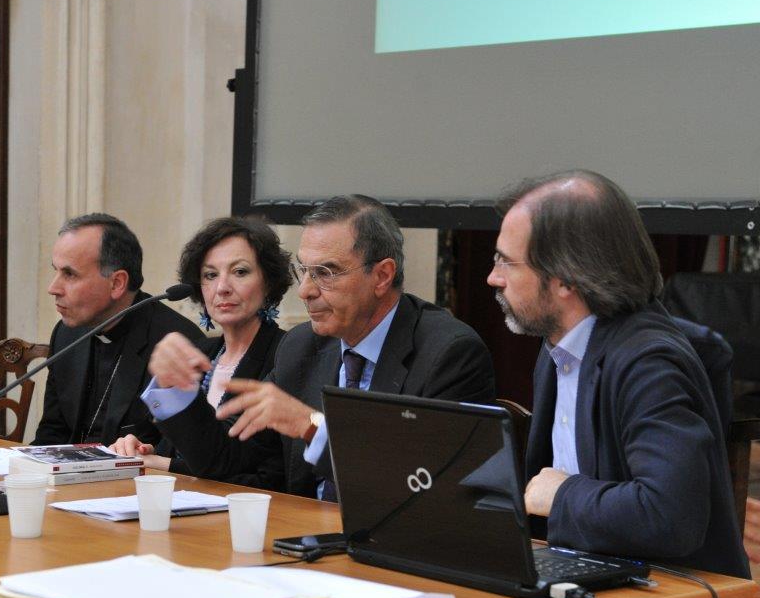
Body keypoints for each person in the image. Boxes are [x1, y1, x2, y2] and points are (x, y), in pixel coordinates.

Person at [429, 171, 760, 598]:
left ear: (565, 278)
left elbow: (669, 515)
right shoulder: (561, 352)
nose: (492, 277)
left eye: (506, 262)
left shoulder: (650, 361)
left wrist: (561, 494)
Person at [142, 194, 496, 498]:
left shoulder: (448, 354)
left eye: (325, 273)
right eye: (304, 271)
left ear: (382, 276)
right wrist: (177, 392)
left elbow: (426, 486)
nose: (305, 290)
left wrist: (312, 426)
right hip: (303, 540)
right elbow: (232, 463)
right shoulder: (301, 347)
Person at [110, 216, 291, 471]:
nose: (222, 287)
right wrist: (142, 448)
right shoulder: (201, 352)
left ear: (268, 282)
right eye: (210, 275)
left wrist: (162, 463)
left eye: (240, 272)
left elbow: (251, 469)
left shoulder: (286, 355)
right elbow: (189, 445)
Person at [30, 213, 202, 447]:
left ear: (117, 283)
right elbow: (52, 433)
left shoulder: (177, 344)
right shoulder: (66, 334)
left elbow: (178, 451)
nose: (53, 288)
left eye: (69, 274)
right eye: (56, 271)